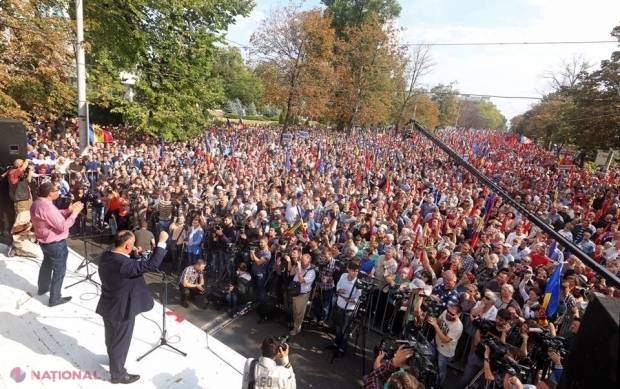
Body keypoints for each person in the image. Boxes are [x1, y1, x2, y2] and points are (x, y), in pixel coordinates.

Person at [96, 230, 168, 384]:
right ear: (127, 246)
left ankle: (113, 360)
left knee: (111, 338)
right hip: (122, 309)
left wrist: (133, 253)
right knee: (121, 342)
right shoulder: (124, 265)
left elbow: (126, 262)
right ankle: (118, 374)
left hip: (108, 305)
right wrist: (161, 242)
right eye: (133, 244)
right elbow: (151, 264)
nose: (135, 246)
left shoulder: (107, 255)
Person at [31, 181, 83, 307]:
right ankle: (55, 298)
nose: (59, 192)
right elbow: (63, 227)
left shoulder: (38, 203)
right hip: (55, 244)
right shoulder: (47, 207)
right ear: (50, 193)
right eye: (56, 190)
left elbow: (52, 216)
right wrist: (75, 213)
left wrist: (68, 210)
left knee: (47, 265)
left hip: (45, 242)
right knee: (59, 271)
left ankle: (43, 289)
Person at [330, 261, 362, 354]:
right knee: (338, 326)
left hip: (349, 310)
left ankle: (342, 348)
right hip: (339, 305)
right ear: (349, 270)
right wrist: (339, 290)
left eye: (357, 271)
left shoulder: (358, 283)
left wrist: (351, 300)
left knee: (345, 329)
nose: (355, 273)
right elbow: (338, 285)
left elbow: (358, 299)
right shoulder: (344, 275)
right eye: (353, 270)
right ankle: (336, 343)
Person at [427, 303, 463, 386]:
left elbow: (445, 340)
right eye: (448, 311)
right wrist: (433, 320)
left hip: (445, 351)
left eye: (452, 314)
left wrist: (435, 325)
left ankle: (437, 385)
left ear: (459, 314)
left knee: (440, 370)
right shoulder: (445, 313)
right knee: (428, 360)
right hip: (435, 342)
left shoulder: (458, 327)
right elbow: (439, 321)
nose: (448, 314)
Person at [287, 252, 316, 336]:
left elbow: (301, 280)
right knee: (295, 311)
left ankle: (297, 329)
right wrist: (295, 265)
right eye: (301, 260)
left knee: (299, 313)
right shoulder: (299, 266)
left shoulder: (311, 272)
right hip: (295, 292)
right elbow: (291, 273)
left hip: (302, 294)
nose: (302, 263)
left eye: (303, 261)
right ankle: (295, 325)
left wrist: (299, 269)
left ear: (309, 261)